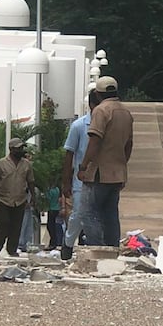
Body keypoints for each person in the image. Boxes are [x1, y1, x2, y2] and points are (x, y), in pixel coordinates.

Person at [77, 76, 134, 247]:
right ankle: (112, 249)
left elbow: (94, 141)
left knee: (88, 213)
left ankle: (97, 249)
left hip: (98, 174)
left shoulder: (101, 111)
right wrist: (121, 165)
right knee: (110, 214)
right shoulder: (126, 112)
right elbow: (129, 145)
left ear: (99, 93)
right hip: (117, 174)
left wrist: (83, 166)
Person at [60, 89, 102, 261]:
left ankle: (96, 247)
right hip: (81, 181)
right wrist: (66, 182)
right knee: (78, 214)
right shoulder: (78, 126)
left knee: (98, 216)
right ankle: (68, 244)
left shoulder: (108, 125)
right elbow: (69, 153)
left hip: (101, 178)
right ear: (92, 106)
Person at [0, 138, 36, 256]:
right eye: (18, 148)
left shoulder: (27, 165)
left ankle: (12, 250)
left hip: (20, 200)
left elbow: (31, 182)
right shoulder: (1, 163)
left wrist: (33, 197)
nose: (21, 150)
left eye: (22, 148)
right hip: (3, 199)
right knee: (3, 223)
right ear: (11, 149)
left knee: (16, 226)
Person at [45, 183, 62, 249]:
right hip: (56, 208)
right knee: (54, 226)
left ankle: (53, 243)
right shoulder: (57, 189)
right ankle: (54, 242)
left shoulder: (50, 191)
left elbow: (47, 200)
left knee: (50, 226)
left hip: (51, 209)